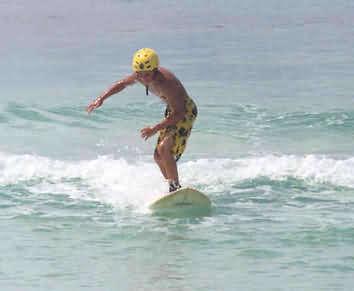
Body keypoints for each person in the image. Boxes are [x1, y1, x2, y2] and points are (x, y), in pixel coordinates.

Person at [86, 48, 198, 192]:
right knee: (158, 156)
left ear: (155, 69)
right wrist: (101, 98)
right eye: (140, 75)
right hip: (172, 110)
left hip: (185, 112)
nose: (144, 78)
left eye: (147, 74)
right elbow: (122, 84)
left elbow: (180, 113)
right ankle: (173, 188)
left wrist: (155, 128)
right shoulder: (140, 75)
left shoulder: (168, 83)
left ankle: (174, 186)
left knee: (164, 148)